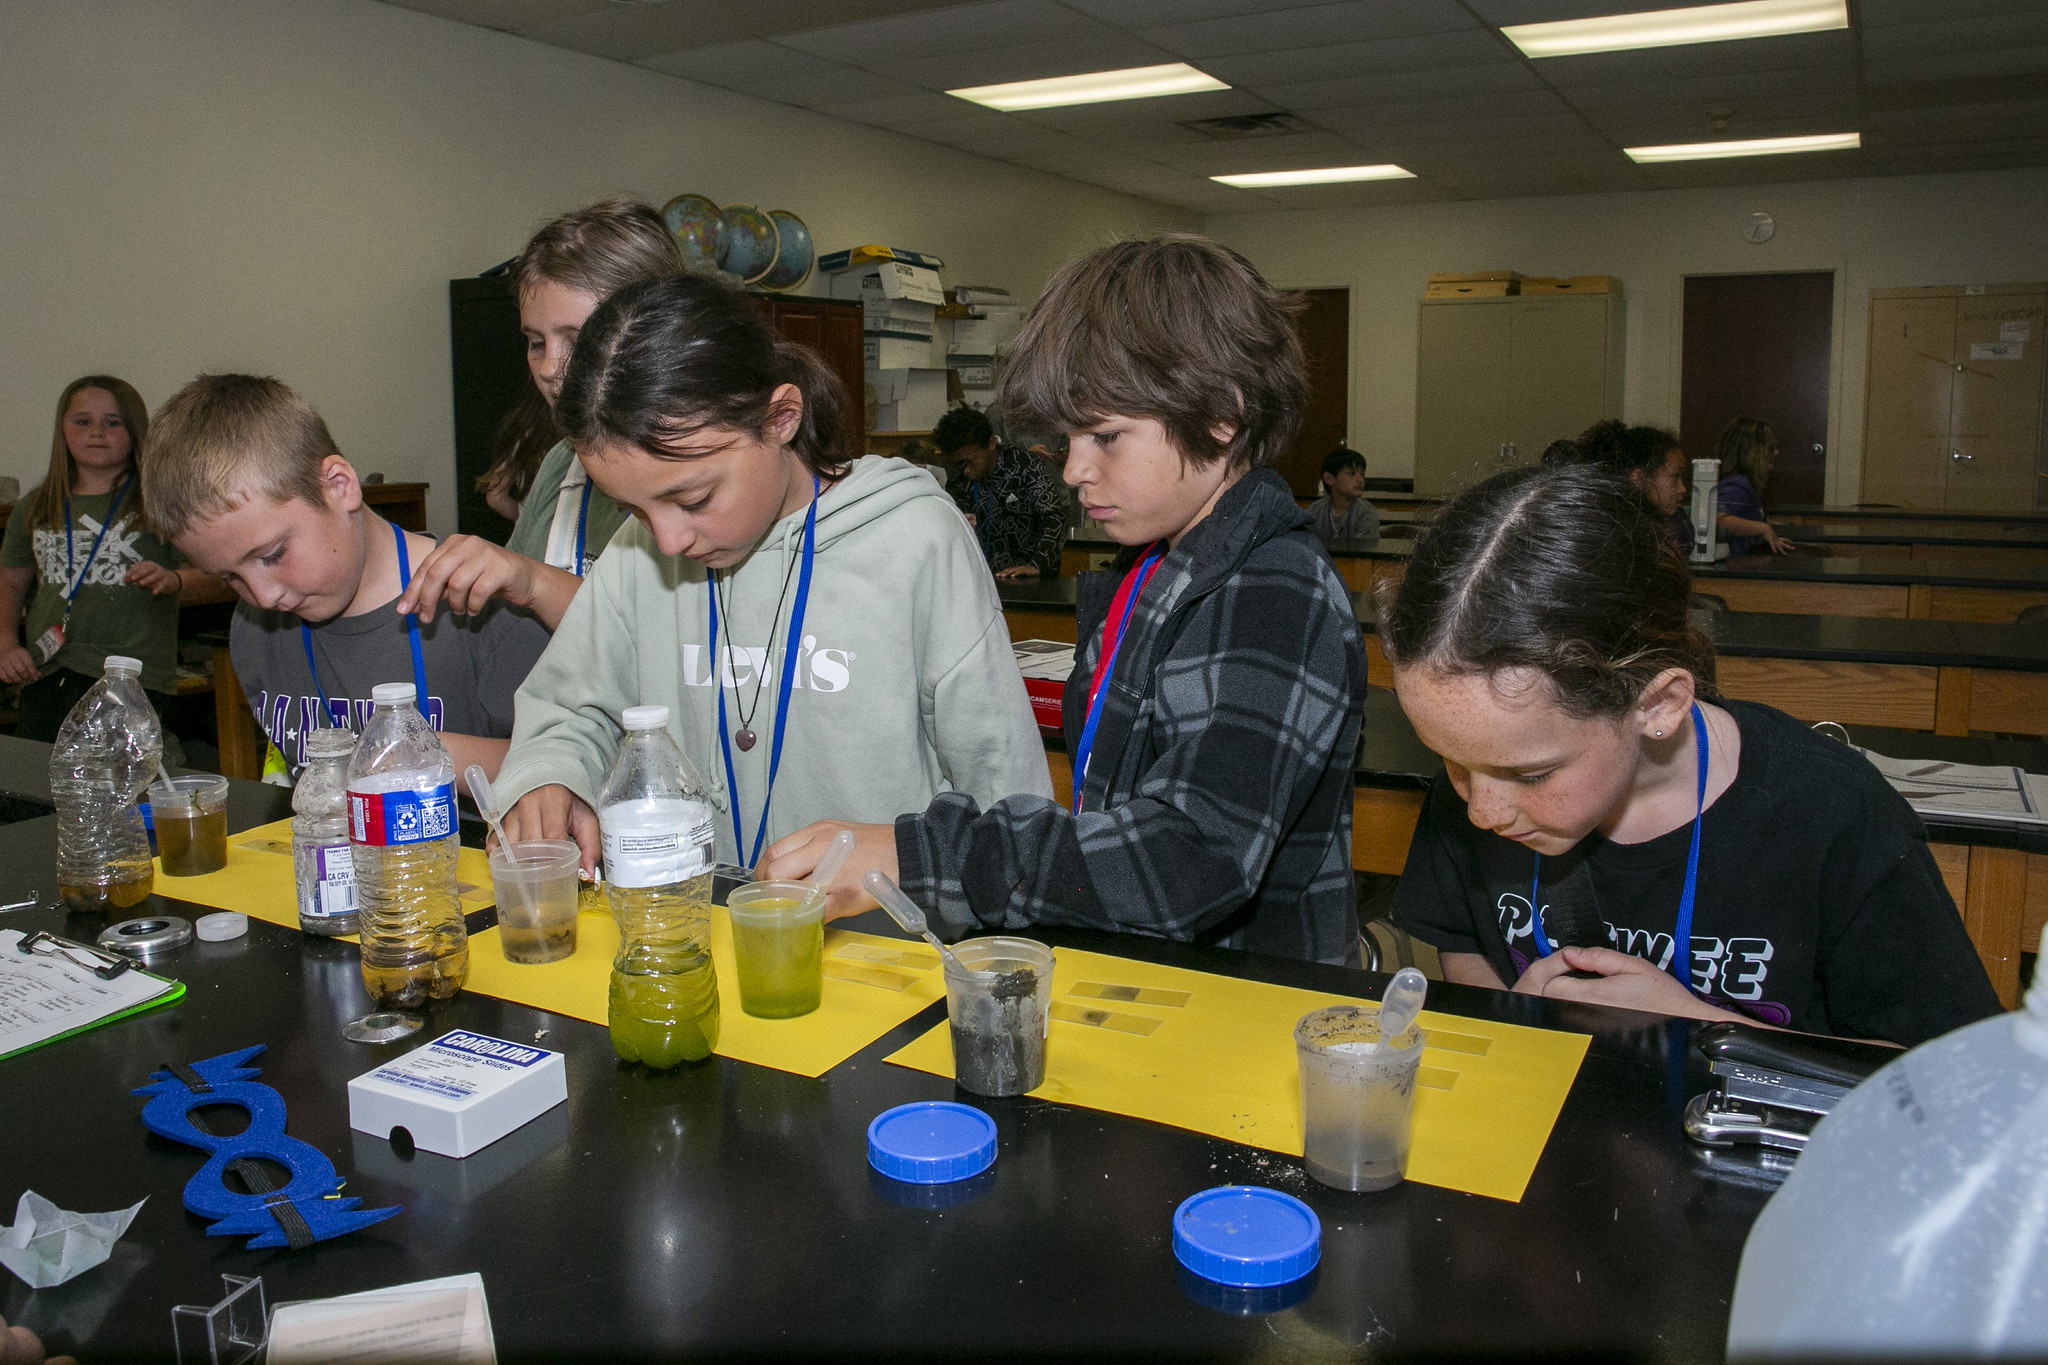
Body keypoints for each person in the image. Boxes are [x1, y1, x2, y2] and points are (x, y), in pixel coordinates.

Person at [764, 235, 1368, 965]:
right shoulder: (1149, 567)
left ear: (1220, 415)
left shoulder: (1275, 589)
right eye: (1069, 436)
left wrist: (924, 856)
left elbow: (1186, 861)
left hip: (1252, 1005)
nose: (1076, 468)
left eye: (1106, 435)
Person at [1380, 464, 2000, 1046]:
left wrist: (1698, 1024)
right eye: (1451, 763)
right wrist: (1519, 1019)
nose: (1482, 811)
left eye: (1533, 774)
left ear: (1659, 705)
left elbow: (1943, 1074)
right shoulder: (1483, 770)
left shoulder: (1834, 815)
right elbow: (1462, 941)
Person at [492, 272, 1052, 872]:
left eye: (696, 499)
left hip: (885, 946)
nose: (668, 539)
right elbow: (570, 709)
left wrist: (935, 868)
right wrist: (548, 776)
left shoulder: (916, 541)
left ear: (781, 417)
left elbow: (1010, 803)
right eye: (632, 508)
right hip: (701, 933)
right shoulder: (637, 555)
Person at [142, 374, 550, 781]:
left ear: (339, 486)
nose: (263, 598)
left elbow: (574, 765)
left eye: (272, 555)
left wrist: (420, 756)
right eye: (229, 577)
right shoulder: (255, 633)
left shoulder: (486, 607)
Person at [396, 198, 680, 631]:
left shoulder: (701, 468)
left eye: (579, 338)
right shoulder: (561, 465)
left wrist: (534, 581)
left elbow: (672, 636)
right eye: (536, 342)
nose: (549, 370)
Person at [0, 376, 224, 745]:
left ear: (135, 430)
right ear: (63, 430)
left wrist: (175, 580)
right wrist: (7, 644)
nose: (97, 432)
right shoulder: (37, 506)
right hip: (48, 672)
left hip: (133, 677)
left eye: (113, 422)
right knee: (40, 786)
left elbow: (218, 575)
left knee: (118, 786)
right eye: (82, 421)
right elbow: (10, 582)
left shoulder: (160, 503)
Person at [933, 406, 1067, 581]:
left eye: (970, 461)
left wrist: (1038, 564)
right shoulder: (957, 479)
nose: (966, 471)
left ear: (990, 444)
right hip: (978, 579)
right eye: (959, 463)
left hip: (1028, 578)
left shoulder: (1025, 465)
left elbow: (1054, 517)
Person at [1555, 419, 1693, 547]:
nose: (1682, 489)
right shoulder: (1611, 535)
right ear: (1639, 478)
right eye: (1675, 476)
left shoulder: (1674, 520)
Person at [476, 382, 557, 523]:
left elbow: (495, 497)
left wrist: (527, 525)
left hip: (532, 538)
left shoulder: (522, 430)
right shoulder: (581, 432)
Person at [1715, 417, 1794, 556]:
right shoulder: (1735, 486)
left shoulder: (1747, 485)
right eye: (1770, 448)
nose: (1776, 452)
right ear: (1752, 452)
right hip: (1734, 565)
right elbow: (1720, 520)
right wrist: (1763, 529)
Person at [1308, 445, 1379, 545]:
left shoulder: (1366, 513)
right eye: (1351, 474)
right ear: (1329, 478)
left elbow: (1363, 553)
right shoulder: (1315, 511)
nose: (1360, 480)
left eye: (1362, 475)